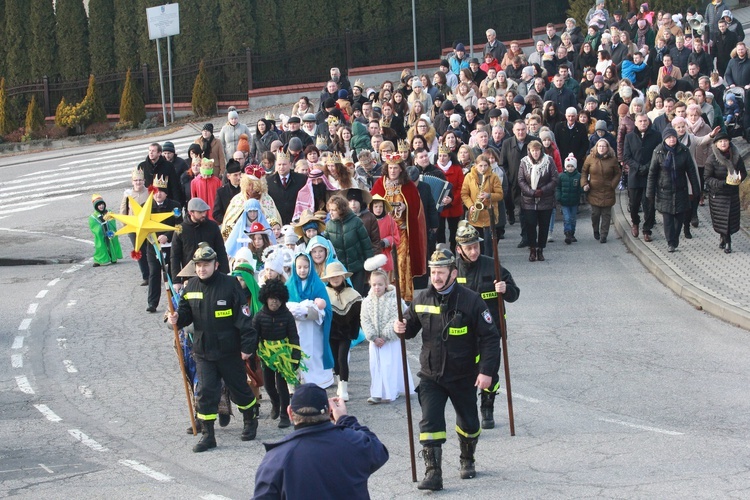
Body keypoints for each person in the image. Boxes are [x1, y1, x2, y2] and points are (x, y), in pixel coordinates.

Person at [394, 246, 500, 490]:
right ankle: (433, 473)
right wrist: (399, 328)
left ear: (453, 273)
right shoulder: (421, 299)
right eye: (433, 272)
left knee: (470, 424)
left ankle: (467, 458)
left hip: (463, 375)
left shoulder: (472, 301)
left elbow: (490, 338)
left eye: (441, 272)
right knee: (430, 422)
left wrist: (486, 371)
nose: (436, 277)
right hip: (431, 375)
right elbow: (409, 330)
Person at [167, 244, 259, 452]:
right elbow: (185, 313)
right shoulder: (191, 287)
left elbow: (244, 318)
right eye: (198, 265)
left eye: (206, 265)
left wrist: (247, 346)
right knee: (206, 391)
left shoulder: (230, 285)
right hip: (203, 351)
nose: (201, 269)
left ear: (216, 265)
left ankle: (250, 420)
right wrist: (177, 318)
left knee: (239, 390)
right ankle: (208, 436)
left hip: (229, 350)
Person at [252, 383, 389, 499]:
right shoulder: (354, 442)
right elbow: (379, 451)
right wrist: (345, 419)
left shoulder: (277, 459)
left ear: (290, 413)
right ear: (329, 411)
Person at [454, 222, 519, 429]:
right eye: (469, 247)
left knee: (489, 370)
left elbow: (515, 293)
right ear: (459, 248)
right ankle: (469, 411)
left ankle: (487, 407)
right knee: (466, 373)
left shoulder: (493, 265)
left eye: (476, 246)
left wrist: (505, 289)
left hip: (491, 331)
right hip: (463, 334)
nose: (474, 251)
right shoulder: (452, 270)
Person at [370, 152, 427, 302]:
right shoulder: (379, 184)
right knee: (384, 263)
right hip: (383, 233)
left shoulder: (408, 186)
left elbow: (416, 208)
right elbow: (371, 205)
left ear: (401, 169)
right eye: (390, 168)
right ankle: (384, 295)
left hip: (401, 232)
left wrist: (405, 206)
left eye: (396, 168)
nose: (393, 171)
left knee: (401, 262)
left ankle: (402, 298)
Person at [252, 277, 301, 429]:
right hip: (267, 355)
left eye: (279, 299)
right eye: (272, 299)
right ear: (265, 298)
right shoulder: (259, 317)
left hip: (283, 355)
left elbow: (294, 336)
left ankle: (285, 415)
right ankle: (275, 402)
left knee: (282, 385)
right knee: (268, 385)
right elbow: (253, 337)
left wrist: (295, 356)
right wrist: (252, 357)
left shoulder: (287, 316)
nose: (275, 302)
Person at [360, 268, 414, 404]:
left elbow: (397, 317)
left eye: (380, 284)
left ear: (386, 284)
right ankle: (377, 392)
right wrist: (372, 336)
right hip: (375, 342)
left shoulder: (395, 300)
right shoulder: (366, 301)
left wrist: (385, 335)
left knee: (389, 365)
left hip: (390, 341)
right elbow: (364, 319)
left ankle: (391, 390)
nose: (377, 288)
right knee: (376, 366)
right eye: (374, 285)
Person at [646, 128, 701, 252]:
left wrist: (696, 189)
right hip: (664, 191)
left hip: (681, 189)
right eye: (669, 137)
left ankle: (675, 238)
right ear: (665, 139)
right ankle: (671, 242)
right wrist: (650, 192)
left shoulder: (683, 150)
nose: (672, 139)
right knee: (668, 219)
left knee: (679, 218)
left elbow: (691, 171)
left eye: (673, 137)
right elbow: (652, 173)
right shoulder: (658, 151)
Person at [286, 253, 334, 389]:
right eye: (299, 267)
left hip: (313, 328)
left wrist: (314, 309)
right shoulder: (289, 284)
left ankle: (317, 380)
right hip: (296, 327)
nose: (302, 270)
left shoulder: (317, 284)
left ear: (310, 267)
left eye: (306, 267)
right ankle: (296, 380)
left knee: (314, 353)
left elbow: (327, 309)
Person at [321, 262, 362, 402]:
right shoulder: (325, 293)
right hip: (331, 333)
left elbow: (359, 314)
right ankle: (339, 381)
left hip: (346, 333)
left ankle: (344, 387)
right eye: (332, 277)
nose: (335, 279)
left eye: (338, 276)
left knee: (342, 358)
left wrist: (357, 330)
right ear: (328, 279)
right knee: (335, 360)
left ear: (343, 277)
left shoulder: (353, 294)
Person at [170, 198, 229, 289]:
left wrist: (225, 274)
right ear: (191, 213)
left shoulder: (212, 227)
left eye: (205, 212)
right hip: (190, 276)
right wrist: (176, 281)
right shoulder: (180, 229)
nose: (204, 215)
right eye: (200, 212)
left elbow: (221, 251)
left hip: (212, 273)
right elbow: (175, 256)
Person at [703, 133, 747, 253]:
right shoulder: (712, 159)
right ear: (716, 144)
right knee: (722, 219)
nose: (723, 143)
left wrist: (739, 178)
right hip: (718, 194)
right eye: (720, 141)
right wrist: (722, 183)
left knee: (731, 219)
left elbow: (743, 172)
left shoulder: (736, 156)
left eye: (725, 141)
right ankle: (727, 241)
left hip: (732, 192)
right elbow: (707, 178)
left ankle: (726, 237)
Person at [145, 175, 182, 313]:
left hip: (171, 245)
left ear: (166, 192)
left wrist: (167, 236)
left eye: (161, 191)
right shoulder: (146, 207)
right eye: (155, 191)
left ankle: (175, 300)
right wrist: (152, 237)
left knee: (173, 272)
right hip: (153, 245)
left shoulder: (175, 206)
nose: (158, 194)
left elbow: (179, 225)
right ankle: (152, 303)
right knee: (154, 272)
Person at [325, 195, 375, 296]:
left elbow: (366, 245)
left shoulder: (356, 222)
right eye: (330, 210)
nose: (330, 213)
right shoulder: (329, 225)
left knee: (356, 296)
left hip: (357, 268)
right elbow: (324, 244)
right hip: (340, 270)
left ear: (341, 210)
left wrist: (371, 267)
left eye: (334, 210)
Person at [517, 140, 559, 261]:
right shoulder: (524, 162)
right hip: (529, 201)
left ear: (541, 151)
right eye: (533, 150)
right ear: (529, 151)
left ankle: (541, 249)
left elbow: (554, 179)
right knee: (530, 225)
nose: (535, 153)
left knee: (544, 226)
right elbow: (520, 180)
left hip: (546, 199)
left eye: (537, 150)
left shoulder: (549, 160)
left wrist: (543, 190)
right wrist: (531, 192)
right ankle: (532, 249)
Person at [623, 113, 660, 241]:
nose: (643, 123)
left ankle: (647, 229)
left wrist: (648, 167)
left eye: (645, 121)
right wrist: (638, 167)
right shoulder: (629, 137)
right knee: (634, 204)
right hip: (635, 175)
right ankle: (635, 222)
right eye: (640, 121)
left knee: (649, 204)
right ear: (636, 123)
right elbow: (626, 156)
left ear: (648, 122)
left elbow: (658, 154)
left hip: (650, 174)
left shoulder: (656, 136)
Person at [460, 153, 504, 256]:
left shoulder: (493, 177)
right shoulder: (469, 176)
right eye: (480, 166)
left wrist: (489, 195)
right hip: (475, 214)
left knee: (489, 243)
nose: (483, 168)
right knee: (477, 242)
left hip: (489, 214)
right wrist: (470, 206)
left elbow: (500, 195)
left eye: (485, 166)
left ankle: (488, 263)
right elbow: (464, 194)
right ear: (475, 165)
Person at [581, 139, 621, 244]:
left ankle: (604, 235)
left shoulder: (612, 159)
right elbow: (584, 172)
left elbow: (618, 173)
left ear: (607, 148)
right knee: (595, 214)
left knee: (606, 215)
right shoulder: (590, 158)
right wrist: (585, 184)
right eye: (599, 146)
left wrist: (613, 184)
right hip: (594, 190)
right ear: (596, 147)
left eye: (604, 146)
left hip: (608, 190)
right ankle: (595, 230)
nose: (601, 148)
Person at [119, 168, 150, 284]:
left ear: (144, 181)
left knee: (150, 251)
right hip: (133, 227)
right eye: (136, 180)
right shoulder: (128, 195)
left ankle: (154, 273)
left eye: (140, 180)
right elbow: (123, 210)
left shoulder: (149, 193)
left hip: (147, 226)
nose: (138, 183)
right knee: (139, 251)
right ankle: (146, 276)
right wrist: (126, 226)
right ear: (132, 182)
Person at [266, 152, 307, 225]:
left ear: (290, 165)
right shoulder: (269, 182)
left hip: (297, 221)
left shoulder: (301, 179)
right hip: (277, 223)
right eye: (279, 164)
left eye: (284, 164)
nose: (281, 167)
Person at [89, 194, 123, 267]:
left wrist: (108, 225)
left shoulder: (109, 212)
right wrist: (101, 227)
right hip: (101, 234)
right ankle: (98, 260)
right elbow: (93, 226)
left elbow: (112, 220)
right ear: (96, 206)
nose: (101, 206)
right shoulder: (93, 216)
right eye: (99, 205)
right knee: (100, 246)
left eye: (102, 204)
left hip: (109, 232)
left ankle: (113, 258)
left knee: (112, 244)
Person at [556, 154, 583, 244]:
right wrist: (558, 197)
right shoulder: (561, 176)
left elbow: (580, 188)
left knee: (572, 218)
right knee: (567, 218)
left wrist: (584, 189)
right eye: (568, 166)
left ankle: (572, 233)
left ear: (575, 167)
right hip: (564, 201)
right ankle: (567, 233)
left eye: (572, 166)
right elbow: (558, 187)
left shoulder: (578, 176)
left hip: (574, 201)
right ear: (565, 167)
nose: (570, 168)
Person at [212, 160, 243, 224]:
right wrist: (228, 221)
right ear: (228, 176)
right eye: (235, 175)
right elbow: (216, 213)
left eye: (240, 174)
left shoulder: (245, 189)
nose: (239, 177)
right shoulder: (221, 192)